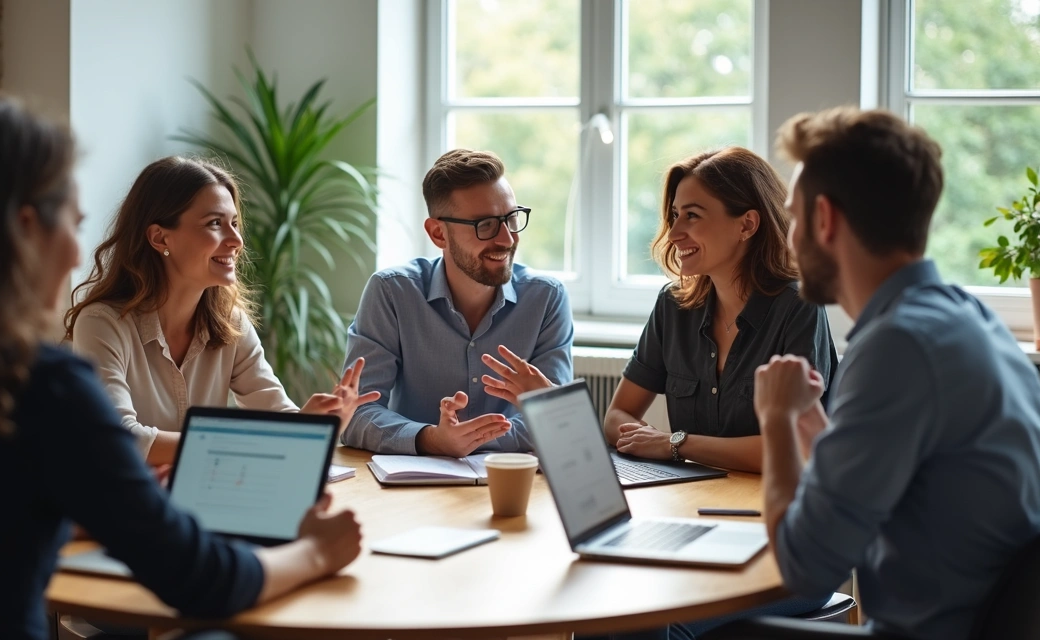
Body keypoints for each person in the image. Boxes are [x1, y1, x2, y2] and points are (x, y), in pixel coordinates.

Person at [0, 95, 363, 640]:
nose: (79, 255)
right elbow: (200, 579)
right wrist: (317, 552)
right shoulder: (41, 387)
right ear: (26, 228)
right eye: (74, 225)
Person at [748, 107, 1040, 639]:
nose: (788, 240)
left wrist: (774, 420)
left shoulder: (897, 346)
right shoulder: (967, 319)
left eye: (792, 218)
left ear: (825, 220)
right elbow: (892, 478)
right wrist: (810, 422)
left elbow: (805, 566)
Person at [482, 147, 836, 474]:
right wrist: (647, 440)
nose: (675, 232)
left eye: (693, 216)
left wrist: (674, 445)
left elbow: (799, 445)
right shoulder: (674, 305)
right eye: (675, 215)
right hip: (690, 494)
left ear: (747, 224)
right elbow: (616, 416)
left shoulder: (798, 306)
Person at [66, 156, 379, 466]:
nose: (237, 241)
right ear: (160, 237)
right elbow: (121, 440)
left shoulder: (230, 322)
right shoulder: (102, 324)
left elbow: (278, 416)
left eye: (234, 223)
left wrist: (315, 425)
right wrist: (259, 439)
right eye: (214, 223)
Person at [340, 149, 574, 456]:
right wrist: (431, 439)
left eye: (511, 218)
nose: (506, 239)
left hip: (511, 481)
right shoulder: (392, 293)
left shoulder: (546, 298)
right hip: (412, 490)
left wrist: (467, 440)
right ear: (438, 233)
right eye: (486, 224)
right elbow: (355, 415)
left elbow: (557, 420)